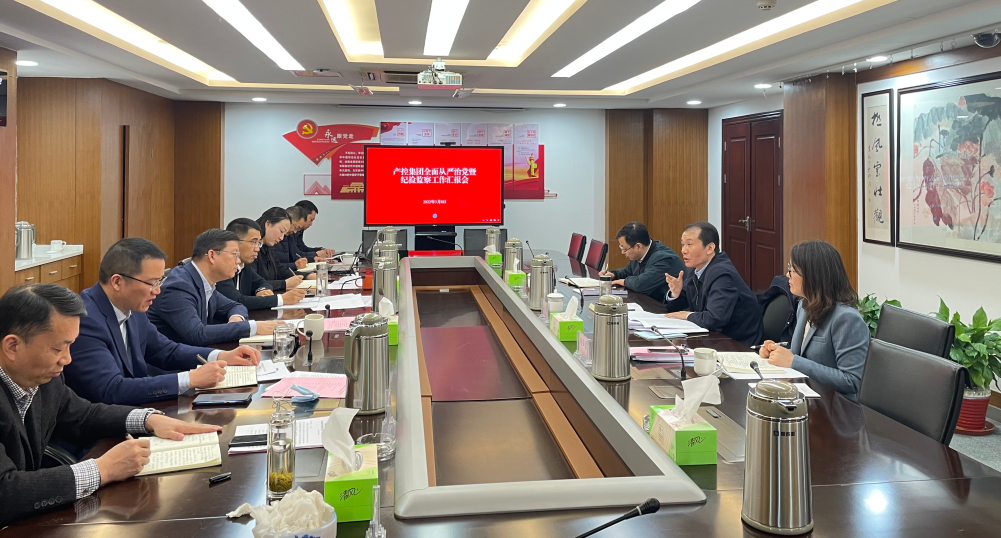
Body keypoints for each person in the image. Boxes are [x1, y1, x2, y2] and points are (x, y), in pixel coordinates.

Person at [0, 284, 220, 526]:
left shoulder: (42, 377)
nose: (67, 359)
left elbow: (83, 415)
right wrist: (102, 470)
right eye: (58, 348)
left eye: (70, 346)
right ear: (12, 346)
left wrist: (148, 419)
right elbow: (5, 491)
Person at [66, 239, 262, 406]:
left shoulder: (133, 307)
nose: (157, 291)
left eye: (160, 282)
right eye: (152, 283)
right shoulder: (86, 321)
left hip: (138, 409)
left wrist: (221, 355)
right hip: (103, 428)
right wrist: (189, 379)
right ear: (117, 282)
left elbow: (165, 350)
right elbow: (111, 390)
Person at [758, 240, 870, 398]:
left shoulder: (847, 319)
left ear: (813, 276)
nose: (787, 275)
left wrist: (793, 361)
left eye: (792, 270)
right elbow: (800, 354)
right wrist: (776, 353)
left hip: (835, 405)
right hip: (805, 395)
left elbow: (851, 381)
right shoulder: (804, 305)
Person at [148, 229, 278, 346]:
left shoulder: (203, 281)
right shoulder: (178, 287)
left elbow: (234, 306)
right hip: (174, 361)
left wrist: (237, 319)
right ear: (212, 255)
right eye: (235, 254)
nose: (238, 261)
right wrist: (252, 327)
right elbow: (197, 334)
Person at [664, 222, 763, 347]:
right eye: (683, 244)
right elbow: (678, 307)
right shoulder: (695, 270)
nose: (683, 250)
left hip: (738, 344)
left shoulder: (722, 274)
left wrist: (688, 315)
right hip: (713, 338)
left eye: (689, 244)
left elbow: (715, 318)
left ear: (710, 248)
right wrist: (675, 294)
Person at [218, 218, 306, 310]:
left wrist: (262, 289)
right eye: (253, 242)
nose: (257, 249)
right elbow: (237, 301)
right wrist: (281, 299)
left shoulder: (244, 265)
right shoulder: (222, 268)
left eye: (258, 243)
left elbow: (262, 282)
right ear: (235, 243)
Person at [599, 221, 683, 300]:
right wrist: (613, 274)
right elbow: (627, 272)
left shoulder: (664, 259)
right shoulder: (640, 253)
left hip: (666, 306)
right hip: (649, 302)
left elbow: (641, 284)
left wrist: (623, 282)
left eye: (624, 249)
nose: (622, 252)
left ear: (638, 246)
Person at [251, 207, 305, 292]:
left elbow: (280, 271)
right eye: (281, 231)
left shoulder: (269, 246)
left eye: (284, 233)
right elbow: (253, 284)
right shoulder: (251, 249)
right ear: (268, 224)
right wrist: (284, 284)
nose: (281, 238)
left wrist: (306, 276)